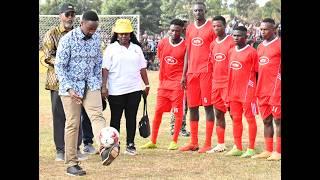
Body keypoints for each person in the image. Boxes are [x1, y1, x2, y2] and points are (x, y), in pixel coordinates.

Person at [56, 10, 119, 176]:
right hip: (70, 87)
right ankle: (71, 163)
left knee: (97, 116)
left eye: (95, 29)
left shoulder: (96, 38)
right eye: (90, 28)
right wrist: (69, 88)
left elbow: (98, 62)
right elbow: (60, 67)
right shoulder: (67, 40)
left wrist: (99, 85)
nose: (93, 32)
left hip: (90, 83)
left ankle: (105, 148)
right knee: (73, 123)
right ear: (82, 23)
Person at [41, 3, 87, 162]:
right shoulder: (51, 34)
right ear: (60, 15)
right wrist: (65, 64)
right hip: (57, 82)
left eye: (72, 14)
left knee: (76, 116)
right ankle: (60, 150)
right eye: (67, 14)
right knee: (59, 116)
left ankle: (76, 148)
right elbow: (46, 57)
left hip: (76, 83)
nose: (70, 17)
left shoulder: (78, 33)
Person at [101, 19, 150, 156]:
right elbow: (105, 69)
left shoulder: (136, 48)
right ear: (116, 35)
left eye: (126, 33)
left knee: (131, 117)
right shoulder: (111, 48)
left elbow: (142, 68)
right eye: (121, 34)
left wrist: (146, 84)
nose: (123, 36)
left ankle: (130, 144)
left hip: (134, 89)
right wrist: (104, 86)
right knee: (115, 118)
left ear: (130, 34)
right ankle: (114, 144)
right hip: (116, 90)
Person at [140, 19, 186, 150]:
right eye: (172, 30)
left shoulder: (185, 45)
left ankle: (174, 141)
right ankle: (153, 141)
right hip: (164, 83)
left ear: (181, 31)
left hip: (177, 84)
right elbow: (160, 59)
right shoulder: (162, 43)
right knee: (158, 111)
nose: (174, 33)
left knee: (177, 113)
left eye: (177, 30)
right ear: (168, 30)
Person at [179, 1, 217, 153]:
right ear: (192, 12)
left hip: (206, 72)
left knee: (208, 107)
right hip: (191, 73)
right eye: (195, 10)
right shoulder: (189, 28)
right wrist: (184, 74)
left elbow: (216, 49)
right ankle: (193, 142)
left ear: (205, 11)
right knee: (192, 106)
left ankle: (207, 143)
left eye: (200, 10)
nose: (198, 13)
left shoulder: (211, 28)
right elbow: (188, 51)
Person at [224, 26, 258, 158]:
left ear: (246, 36)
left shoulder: (252, 52)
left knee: (250, 119)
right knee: (236, 119)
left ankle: (251, 148)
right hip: (233, 92)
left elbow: (257, 73)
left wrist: (255, 89)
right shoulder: (231, 51)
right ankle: (237, 147)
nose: (236, 38)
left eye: (239, 36)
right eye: (234, 35)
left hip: (247, 92)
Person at [251, 18, 281, 161]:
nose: (263, 32)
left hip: (276, 89)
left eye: (266, 29)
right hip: (262, 89)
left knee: (278, 120)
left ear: (274, 29)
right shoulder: (260, 46)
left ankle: (278, 151)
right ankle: (268, 150)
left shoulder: (280, 44)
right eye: (261, 29)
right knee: (266, 120)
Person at [206, 15, 235, 153]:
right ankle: (221, 144)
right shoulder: (212, 44)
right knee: (218, 114)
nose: (216, 28)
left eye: (219, 26)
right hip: (215, 84)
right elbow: (212, 64)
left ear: (225, 26)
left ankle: (238, 145)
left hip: (228, 84)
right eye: (214, 26)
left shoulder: (231, 41)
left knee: (233, 114)